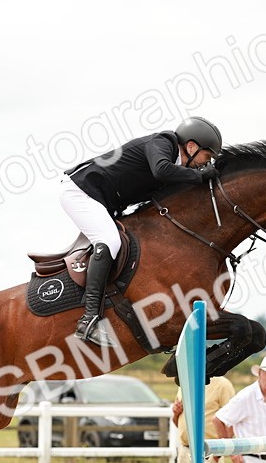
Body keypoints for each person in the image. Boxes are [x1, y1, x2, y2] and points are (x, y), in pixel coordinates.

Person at [62, 116, 223, 347]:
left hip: (100, 199)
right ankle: (89, 320)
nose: (204, 164)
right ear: (191, 146)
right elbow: (161, 170)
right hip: (80, 191)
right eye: (206, 157)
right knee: (109, 241)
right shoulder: (164, 142)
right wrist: (199, 177)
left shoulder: (176, 166)